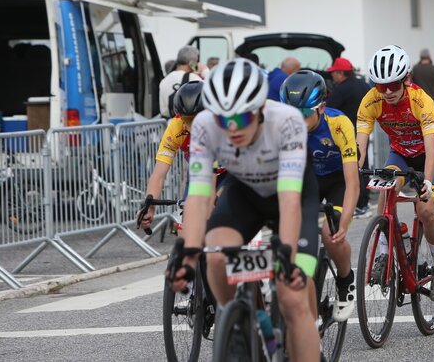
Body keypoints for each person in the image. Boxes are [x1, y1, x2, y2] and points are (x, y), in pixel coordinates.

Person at [169, 58, 321, 362]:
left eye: (242, 117)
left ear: (261, 108)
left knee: (292, 298)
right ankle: (240, 325)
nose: (233, 128)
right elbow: (198, 195)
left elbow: (289, 199)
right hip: (246, 194)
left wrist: (287, 254)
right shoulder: (204, 125)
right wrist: (189, 252)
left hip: (292, 196)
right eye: (224, 119)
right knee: (215, 257)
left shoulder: (287, 121)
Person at [356, 45, 434, 301]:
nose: (387, 92)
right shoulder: (370, 101)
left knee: (426, 209)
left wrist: (427, 182)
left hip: (429, 154)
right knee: (385, 190)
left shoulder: (421, 100)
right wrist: (354, 171)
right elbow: (360, 146)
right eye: (380, 86)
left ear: (406, 79)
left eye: (393, 85)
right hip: (399, 154)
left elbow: (432, 149)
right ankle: (385, 252)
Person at [280, 70, 359, 322]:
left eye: (304, 113)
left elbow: (352, 182)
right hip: (308, 179)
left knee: (330, 235)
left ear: (321, 108)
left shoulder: (339, 124)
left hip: (338, 181)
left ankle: (346, 281)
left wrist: (343, 223)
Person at [138, 81, 210, 232]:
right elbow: (158, 175)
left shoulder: (224, 124)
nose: (192, 126)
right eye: (187, 120)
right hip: (199, 174)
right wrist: (149, 206)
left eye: (197, 118)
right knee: (185, 232)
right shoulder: (176, 128)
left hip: (228, 174)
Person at [325, 57, 374, 219]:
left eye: (333, 73)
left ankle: (356, 204)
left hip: (346, 134)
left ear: (341, 73)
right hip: (364, 131)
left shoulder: (341, 89)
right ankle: (364, 204)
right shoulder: (363, 84)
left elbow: (328, 109)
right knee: (363, 165)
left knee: (350, 168)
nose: (332, 76)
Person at [158, 46, 204, 118]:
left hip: (168, 122)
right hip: (186, 121)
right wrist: (205, 72)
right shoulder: (193, 78)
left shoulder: (164, 80)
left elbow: (164, 111)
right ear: (192, 62)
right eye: (197, 61)